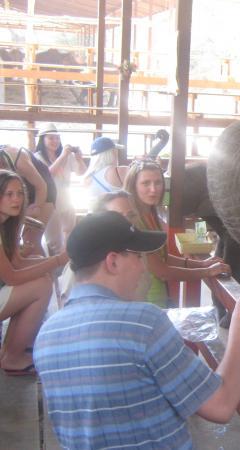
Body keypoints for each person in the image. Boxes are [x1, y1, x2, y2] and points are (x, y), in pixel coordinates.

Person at [33, 211, 240, 449]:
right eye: (138, 256)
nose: (143, 268)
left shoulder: (45, 335)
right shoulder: (143, 323)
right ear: (113, 261)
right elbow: (221, 405)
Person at [123, 159, 231, 307]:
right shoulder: (135, 220)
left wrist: (201, 264)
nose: (153, 189)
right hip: (146, 301)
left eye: (158, 182)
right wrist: (205, 271)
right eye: (146, 183)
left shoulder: (151, 213)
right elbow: (162, 271)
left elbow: (162, 257)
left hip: (159, 297)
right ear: (133, 186)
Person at [0, 170, 68, 375]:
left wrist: (45, 261)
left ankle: (11, 350)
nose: (17, 199)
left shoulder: (6, 224)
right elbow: (11, 276)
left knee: (40, 268)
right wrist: (58, 260)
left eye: (20, 193)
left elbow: (17, 262)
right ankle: (13, 358)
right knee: (41, 285)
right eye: (9, 194)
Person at [57, 190, 142, 306]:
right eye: (117, 216)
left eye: (131, 215)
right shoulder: (83, 262)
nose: (128, 221)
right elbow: (67, 310)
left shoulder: (138, 252)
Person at [34, 123, 87, 255]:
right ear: (42, 139)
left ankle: (67, 265)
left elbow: (81, 172)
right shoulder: (38, 157)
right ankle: (54, 266)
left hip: (67, 200)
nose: (55, 141)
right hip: (49, 203)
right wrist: (62, 156)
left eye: (57, 138)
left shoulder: (67, 155)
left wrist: (79, 159)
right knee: (54, 241)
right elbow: (47, 174)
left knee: (70, 234)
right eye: (51, 138)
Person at [0, 144, 56, 255]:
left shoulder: (19, 158)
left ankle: (46, 271)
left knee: (31, 240)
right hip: (18, 191)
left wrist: (36, 207)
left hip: (44, 190)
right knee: (12, 239)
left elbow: (41, 186)